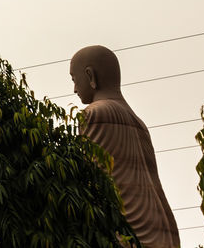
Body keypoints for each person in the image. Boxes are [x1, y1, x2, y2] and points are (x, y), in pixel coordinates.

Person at [70, 45, 180, 248]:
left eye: (74, 80)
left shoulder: (95, 114)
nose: (74, 89)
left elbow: (92, 183)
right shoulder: (139, 123)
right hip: (164, 232)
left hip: (128, 234)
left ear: (90, 75)